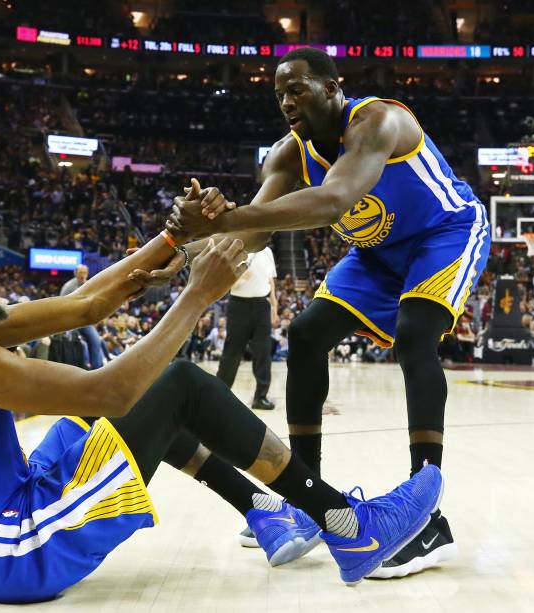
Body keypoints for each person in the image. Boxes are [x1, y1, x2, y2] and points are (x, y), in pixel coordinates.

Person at [0, 224, 443, 603]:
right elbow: (110, 393)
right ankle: (348, 525)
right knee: (172, 385)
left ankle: (262, 508)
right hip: (13, 550)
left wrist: (172, 236)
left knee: (120, 411)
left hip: (12, 507)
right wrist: (197, 295)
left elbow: (88, 303)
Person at [164, 47, 487, 577]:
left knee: (414, 334)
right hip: (377, 254)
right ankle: (310, 501)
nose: (287, 102)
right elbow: (254, 231)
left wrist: (222, 218)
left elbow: (334, 200)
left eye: (298, 89)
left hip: (443, 233)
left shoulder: (380, 120)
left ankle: (429, 518)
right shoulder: (287, 155)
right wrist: (181, 255)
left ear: (334, 87)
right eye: (279, 95)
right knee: (308, 331)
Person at [215, 246, 279, 410]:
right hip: (238, 305)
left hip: (262, 306)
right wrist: (239, 277)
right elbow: (222, 279)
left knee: (263, 352)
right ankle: (219, 394)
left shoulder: (267, 251)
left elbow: (271, 281)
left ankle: (261, 397)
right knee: (232, 352)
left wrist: (274, 308)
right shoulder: (235, 249)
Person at [59, 264, 104, 369]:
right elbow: (60, 306)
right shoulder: (68, 287)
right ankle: (71, 369)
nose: (83, 275)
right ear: (75, 273)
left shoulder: (90, 285)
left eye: (85, 273)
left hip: (84, 320)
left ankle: (96, 369)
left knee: (96, 340)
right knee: (69, 341)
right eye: (80, 273)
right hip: (69, 321)